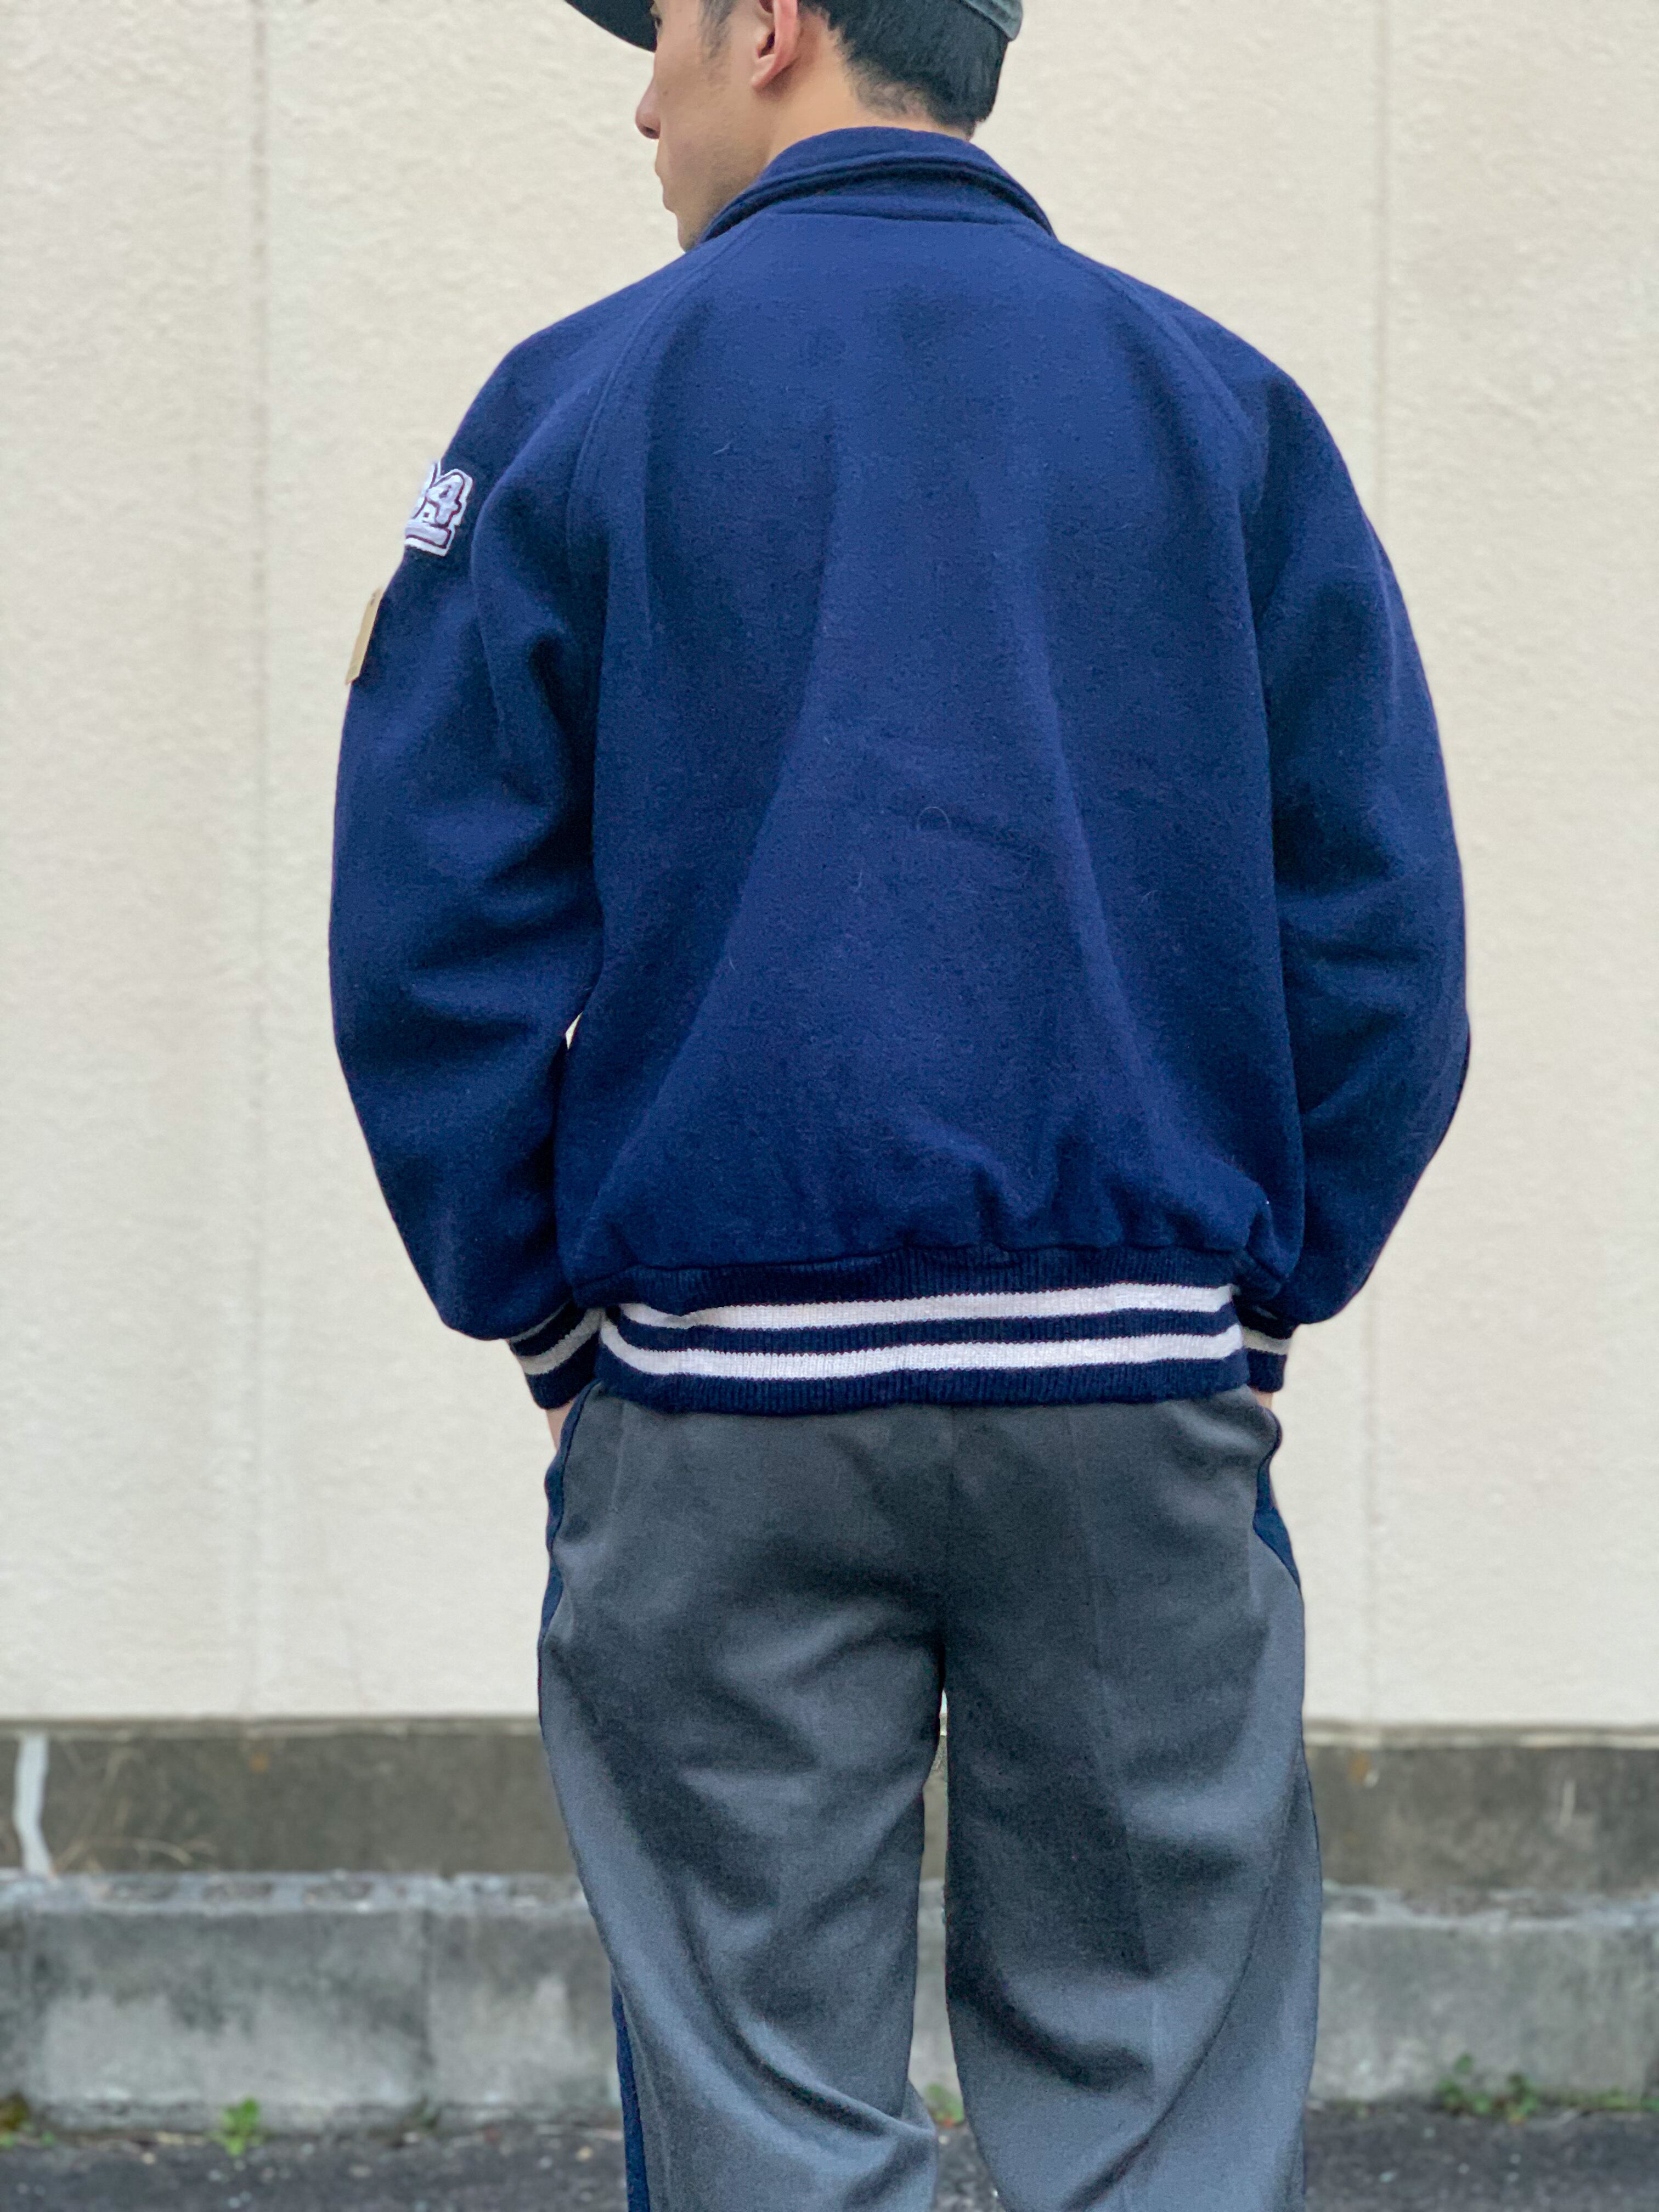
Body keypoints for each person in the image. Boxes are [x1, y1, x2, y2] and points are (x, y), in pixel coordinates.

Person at [329, 0, 1469, 2204]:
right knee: (1156, 2117)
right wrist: (1249, 1296)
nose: (643, 96)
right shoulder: (1220, 409)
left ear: (774, 22)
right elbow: (1380, 937)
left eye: (664, 31)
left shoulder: (578, 404)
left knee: (766, 2118)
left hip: (723, 1406)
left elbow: (430, 931)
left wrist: (544, 1315)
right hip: (1132, 1392)